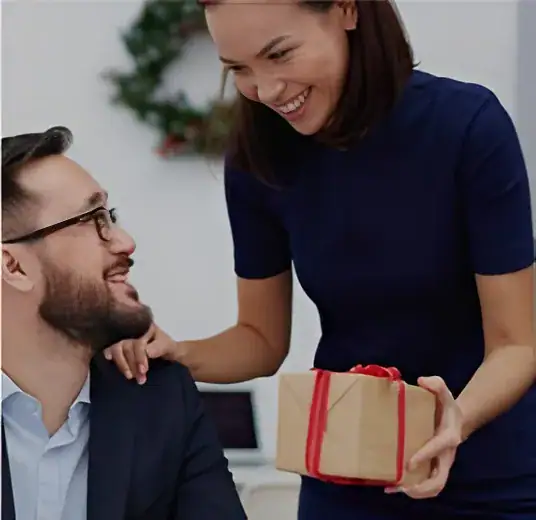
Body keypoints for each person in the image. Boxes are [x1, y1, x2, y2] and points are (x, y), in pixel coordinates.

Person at [105, 0, 536, 518]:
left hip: (491, 474)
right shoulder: (257, 157)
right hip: (343, 472)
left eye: (280, 54)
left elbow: (516, 346)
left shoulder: (466, 126)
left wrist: (454, 423)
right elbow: (261, 342)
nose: (265, 91)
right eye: (239, 69)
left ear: (347, 10)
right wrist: (178, 352)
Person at [1, 126, 247, 520]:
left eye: (110, 217)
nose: (124, 241)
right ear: (13, 265)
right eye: (92, 219)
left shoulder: (159, 398)